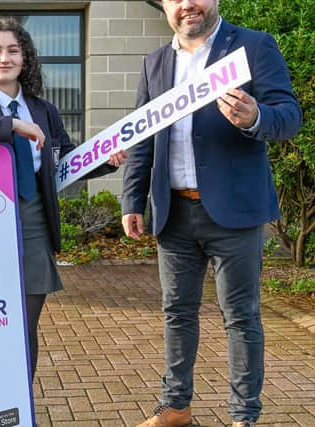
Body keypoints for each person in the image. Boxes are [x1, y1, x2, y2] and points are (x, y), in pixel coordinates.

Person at [121, 1, 302, 426]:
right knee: (177, 313)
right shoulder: (155, 62)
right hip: (174, 212)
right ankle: (176, 408)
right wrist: (133, 200)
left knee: (241, 317)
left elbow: (289, 116)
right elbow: (143, 137)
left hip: (234, 212)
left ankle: (243, 416)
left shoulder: (254, 47)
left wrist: (256, 116)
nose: (188, 5)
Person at [0, 16, 127, 379]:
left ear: (25, 58)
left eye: (13, 50)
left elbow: (67, 162)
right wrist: (10, 125)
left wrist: (104, 162)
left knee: (23, 326)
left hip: (34, 222)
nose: (4, 58)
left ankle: (19, 405)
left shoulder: (43, 109)